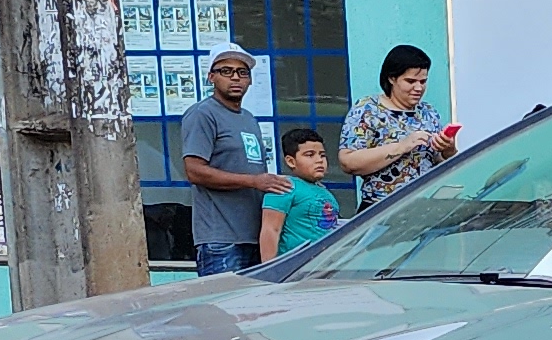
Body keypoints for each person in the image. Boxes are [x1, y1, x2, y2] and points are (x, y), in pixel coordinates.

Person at [178, 46, 292, 276]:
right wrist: (254, 181)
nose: (236, 78)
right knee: (223, 310)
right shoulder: (203, 114)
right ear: (211, 77)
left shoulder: (248, 119)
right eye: (226, 71)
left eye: (243, 72)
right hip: (221, 240)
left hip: (254, 236)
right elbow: (194, 171)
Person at [340, 44, 458, 204]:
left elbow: (440, 162)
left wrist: (448, 150)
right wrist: (401, 146)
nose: (418, 88)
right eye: (410, 81)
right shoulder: (368, 110)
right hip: (381, 209)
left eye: (423, 82)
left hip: (425, 206)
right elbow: (348, 162)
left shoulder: (428, 112)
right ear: (392, 78)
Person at [262, 129, 341, 262]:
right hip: (297, 266)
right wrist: (269, 268)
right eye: (310, 155)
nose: (319, 160)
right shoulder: (283, 186)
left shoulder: (324, 191)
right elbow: (271, 229)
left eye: (322, 155)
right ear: (291, 161)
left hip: (327, 264)